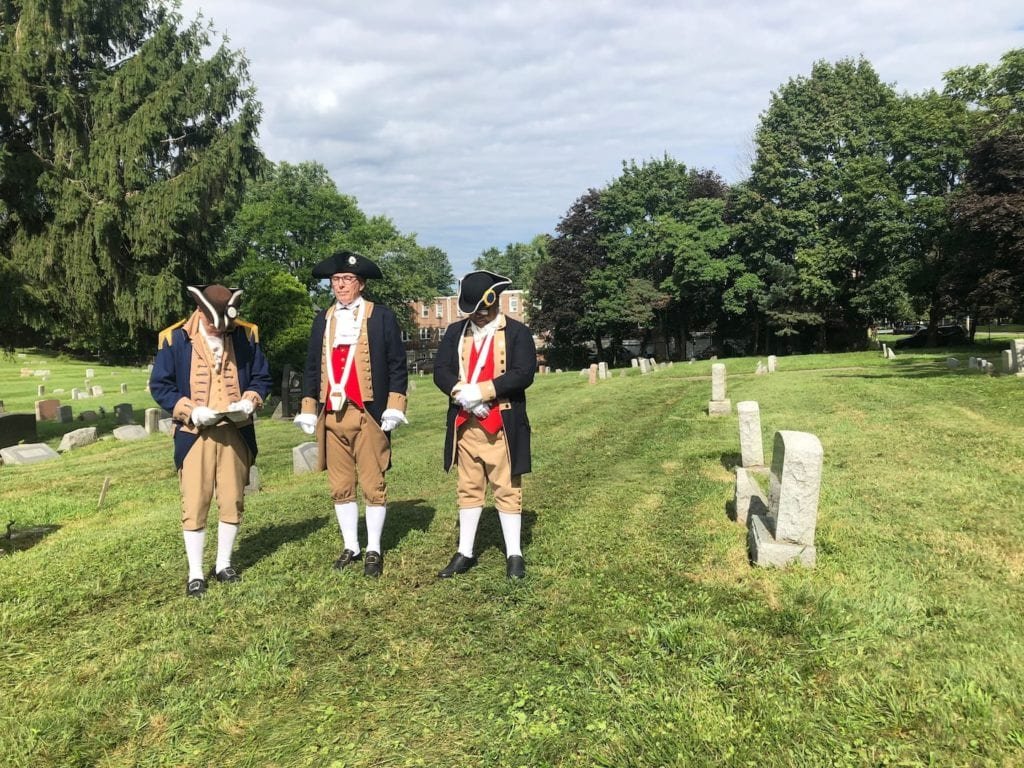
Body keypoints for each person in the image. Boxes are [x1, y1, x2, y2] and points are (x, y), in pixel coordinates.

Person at [150, 284, 272, 597]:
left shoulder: (246, 335)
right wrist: (190, 410)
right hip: (195, 434)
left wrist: (251, 398)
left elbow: (261, 376)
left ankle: (223, 564)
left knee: (232, 499)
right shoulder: (174, 338)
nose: (219, 329)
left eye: (224, 324)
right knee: (195, 502)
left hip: (235, 429)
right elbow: (160, 386)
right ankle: (195, 573)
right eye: (212, 322)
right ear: (200, 313)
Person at [294, 250, 409, 578]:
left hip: (368, 414)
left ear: (360, 284)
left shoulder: (381, 316)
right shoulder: (323, 319)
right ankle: (351, 545)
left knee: (373, 484)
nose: (340, 286)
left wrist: (395, 405)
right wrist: (307, 407)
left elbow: (397, 364)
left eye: (347, 280)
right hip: (331, 416)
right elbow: (312, 365)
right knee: (340, 485)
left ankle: (373, 547)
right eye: (335, 280)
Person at [433, 270, 536, 580]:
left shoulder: (517, 332)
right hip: (465, 424)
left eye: (482, 310)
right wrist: (459, 391)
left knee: (507, 488)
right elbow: (440, 370)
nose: (478, 316)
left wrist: (484, 390)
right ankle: (464, 551)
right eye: (473, 311)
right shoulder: (455, 332)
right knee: (468, 487)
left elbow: (523, 373)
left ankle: (514, 553)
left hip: (501, 423)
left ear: (493, 303)